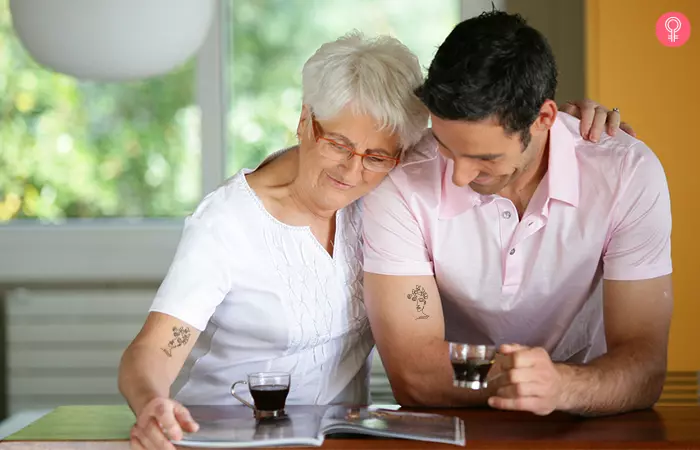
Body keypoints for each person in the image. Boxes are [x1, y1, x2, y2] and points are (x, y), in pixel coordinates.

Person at [119, 31, 629, 450]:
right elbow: (156, 350)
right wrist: (152, 404)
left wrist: (568, 125)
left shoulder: (384, 197)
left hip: (339, 440)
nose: (352, 170)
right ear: (304, 120)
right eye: (337, 142)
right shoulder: (229, 222)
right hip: (223, 438)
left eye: (377, 155)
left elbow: (496, 139)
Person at [363, 11, 671, 418]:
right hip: (456, 422)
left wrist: (563, 387)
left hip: (584, 417)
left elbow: (644, 365)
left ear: (544, 118)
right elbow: (414, 374)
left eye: (484, 157)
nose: (458, 176)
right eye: (445, 145)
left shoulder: (627, 173)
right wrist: (532, 382)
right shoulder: (401, 182)